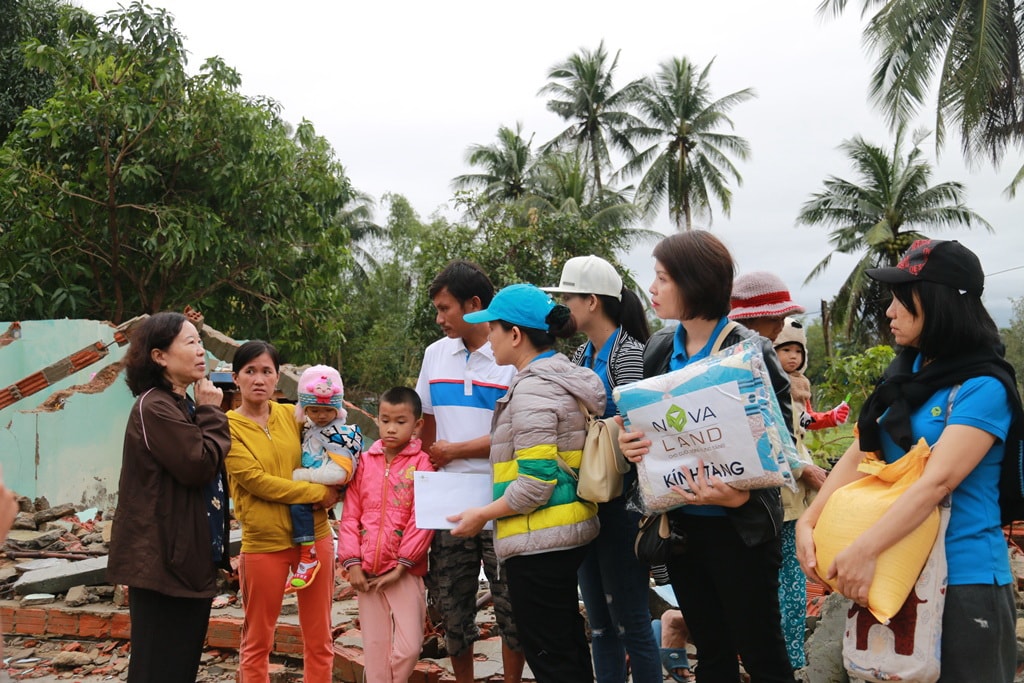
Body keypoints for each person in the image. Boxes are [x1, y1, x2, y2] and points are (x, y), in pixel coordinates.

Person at [796, 239, 1023, 682]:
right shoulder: (903, 377)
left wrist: (864, 548)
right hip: (891, 575)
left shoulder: (984, 386)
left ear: (937, 303)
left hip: (963, 579)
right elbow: (860, 451)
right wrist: (811, 522)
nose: (889, 312)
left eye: (902, 300)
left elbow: (937, 483)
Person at [618, 231, 797, 683]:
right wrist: (630, 445)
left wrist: (738, 497)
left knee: (761, 651)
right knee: (711, 651)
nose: (652, 289)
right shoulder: (659, 348)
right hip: (683, 529)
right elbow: (648, 430)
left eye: (662, 279)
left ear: (694, 283)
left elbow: (783, 447)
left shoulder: (750, 351)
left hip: (742, 531)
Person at [449, 283, 604, 683]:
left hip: (540, 542)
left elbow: (535, 485)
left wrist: (480, 515)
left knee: (552, 657)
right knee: (566, 647)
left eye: (493, 329)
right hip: (561, 535)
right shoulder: (558, 379)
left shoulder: (534, 390)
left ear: (515, 334)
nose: (489, 337)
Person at [542, 255, 661, 683]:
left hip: (622, 506)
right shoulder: (581, 353)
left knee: (631, 618)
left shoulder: (628, 354)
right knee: (599, 623)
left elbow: (642, 430)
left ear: (592, 302)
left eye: (568, 298)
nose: (562, 308)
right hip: (589, 499)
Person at [414, 260, 524, 683]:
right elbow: (426, 422)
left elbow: (512, 433)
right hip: (449, 501)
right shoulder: (434, 354)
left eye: (446, 309)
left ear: (474, 304)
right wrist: (433, 463)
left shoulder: (510, 358)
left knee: (510, 602)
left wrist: (456, 449)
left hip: (502, 498)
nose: (440, 319)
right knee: (453, 603)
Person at [106, 311, 231, 683]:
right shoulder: (155, 406)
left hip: (185, 561)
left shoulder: (182, 404)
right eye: (190, 342)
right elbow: (198, 464)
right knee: (158, 670)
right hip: (163, 563)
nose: (200, 350)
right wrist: (211, 410)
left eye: (200, 342)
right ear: (159, 356)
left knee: (178, 668)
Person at [728, 275, 836, 671]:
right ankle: (785, 660)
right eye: (778, 323)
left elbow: (794, 432)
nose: (780, 332)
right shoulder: (753, 364)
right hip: (777, 497)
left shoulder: (781, 375)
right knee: (783, 582)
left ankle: (780, 658)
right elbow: (768, 433)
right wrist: (803, 468)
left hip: (779, 495)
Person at [225, 341, 339, 682]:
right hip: (263, 544)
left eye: (267, 371)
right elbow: (259, 483)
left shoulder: (295, 416)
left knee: (319, 638)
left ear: (278, 379)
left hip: (315, 539)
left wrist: (341, 485)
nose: (259, 379)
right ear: (236, 378)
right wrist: (320, 491)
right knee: (258, 639)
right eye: (250, 371)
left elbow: (334, 448)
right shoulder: (227, 428)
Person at [338, 386, 434, 683]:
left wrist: (403, 564)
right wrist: (352, 563)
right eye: (385, 420)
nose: (391, 428)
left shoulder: (423, 465)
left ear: (417, 425)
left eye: (400, 421)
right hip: (365, 572)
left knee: (409, 646)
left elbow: (422, 520)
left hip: (404, 572)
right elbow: (350, 515)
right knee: (375, 650)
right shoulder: (365, 463)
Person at [289, 364, 362, 591]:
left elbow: (339, 473)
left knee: (297, 507)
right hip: (313, 487)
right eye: (314, 410)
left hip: (318, 487)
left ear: (338, 409)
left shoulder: (340, 435)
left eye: (328, 410)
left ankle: (308, 555)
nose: (321, 416)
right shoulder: (309, 429)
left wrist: (303, 475)